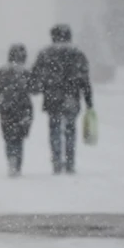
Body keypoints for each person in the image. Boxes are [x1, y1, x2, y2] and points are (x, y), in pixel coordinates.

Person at [30, 24, 94, 174]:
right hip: (71, 97)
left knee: (54, 129)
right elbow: (84, 79)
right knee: (70, 129)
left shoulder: (45, 54)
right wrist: (88, 100)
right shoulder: (77, 54)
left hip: (52, 97)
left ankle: (57, 161)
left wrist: (36, 88)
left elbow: (36, 76)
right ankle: (70, 161)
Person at [0, 44, 34, 177]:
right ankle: (18, 164)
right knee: (19, 138)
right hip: (23, 108)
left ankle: (11, 159)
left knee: (9, 137)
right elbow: (34, 89)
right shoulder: (26, 72)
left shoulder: (2, 71)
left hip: (6, 108)